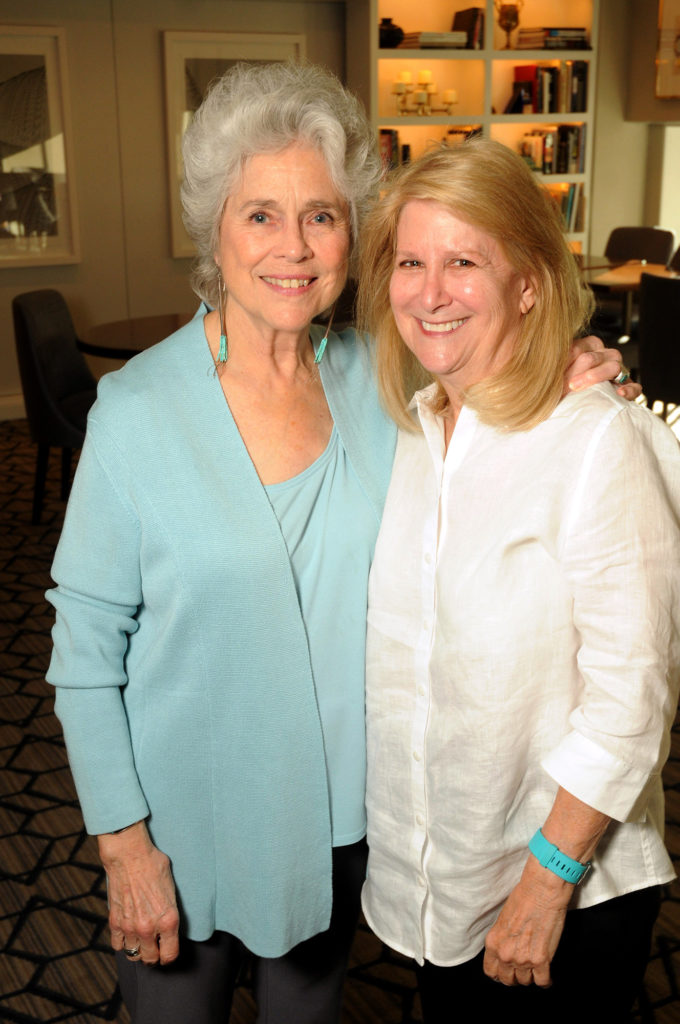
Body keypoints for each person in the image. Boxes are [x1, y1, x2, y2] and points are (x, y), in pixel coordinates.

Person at [45, 62, 636, 1024]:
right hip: (181, 832)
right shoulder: (136, 412)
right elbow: (82, 653)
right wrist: (123, 846)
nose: (295, 247)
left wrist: (571, 355)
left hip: (336, 828)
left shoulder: (385, 376)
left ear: (352, 231)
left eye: (321, 215)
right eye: (261, 215)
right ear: (215, 230)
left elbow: (497, 384)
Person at [358, 136, 680, 1024]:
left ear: (529, 283)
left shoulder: (594, 442)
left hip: (562, 893)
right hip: (445, 880)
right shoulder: (411, 428)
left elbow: (632, 700)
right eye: (412, 261)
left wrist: (546, 886)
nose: (431, 290)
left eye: (464, 261)